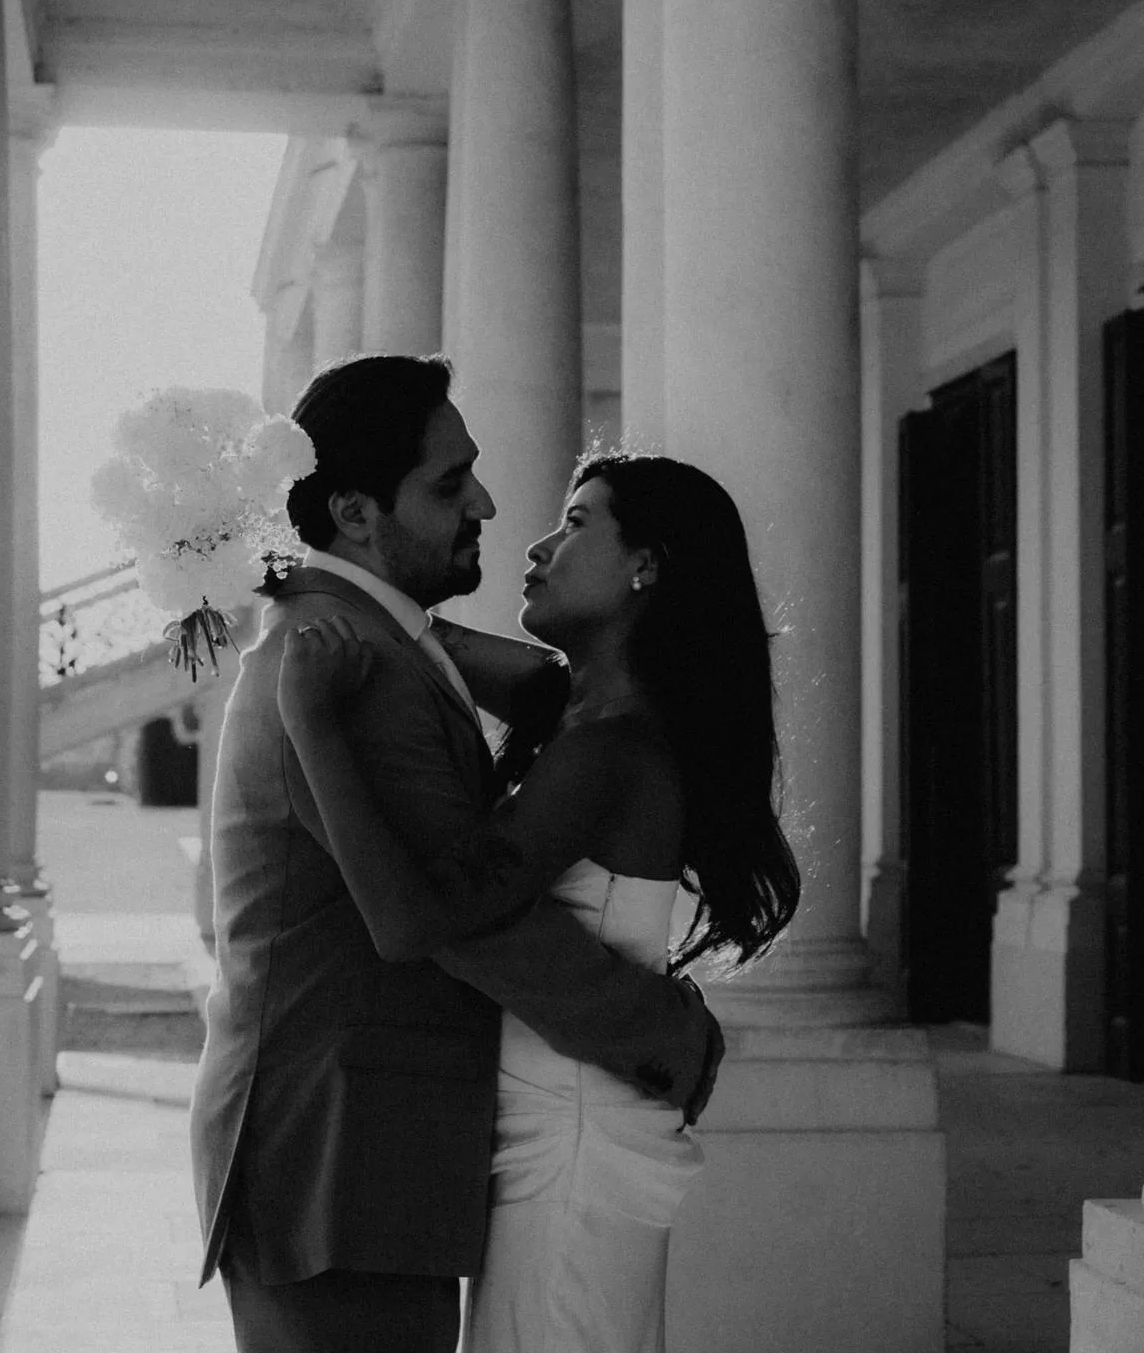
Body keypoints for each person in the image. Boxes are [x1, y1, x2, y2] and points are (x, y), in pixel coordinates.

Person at [190, 356, 726, 1353]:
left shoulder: (372, 641)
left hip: (369, 1146)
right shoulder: (353, 667)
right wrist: (665, 1033)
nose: (486, 501)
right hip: (343, 1156)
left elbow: (564, 712)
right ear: (354, 512)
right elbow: (464, 923)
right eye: (449, 483)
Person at [279, 452, 800, 1353]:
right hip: (570, 1114)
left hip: (575, 1136)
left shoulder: (609, 748)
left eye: (577, 523)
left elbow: (411, 922)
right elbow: (419, 636)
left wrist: (313, 727)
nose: (537, 544)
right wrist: (292, 569)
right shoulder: (582, 704)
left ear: (648, 565)